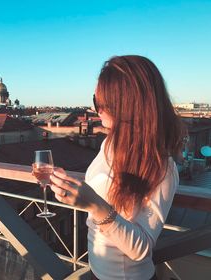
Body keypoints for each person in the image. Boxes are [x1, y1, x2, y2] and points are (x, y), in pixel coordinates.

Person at [50, 55, 184, 280]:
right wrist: (70, 189)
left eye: (106, 103)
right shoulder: (110, 143)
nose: (97, 110)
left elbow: (141, 249)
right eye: (96, 101)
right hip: (96, 270)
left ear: (131, 105)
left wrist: (95, 205)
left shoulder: (162, 167)